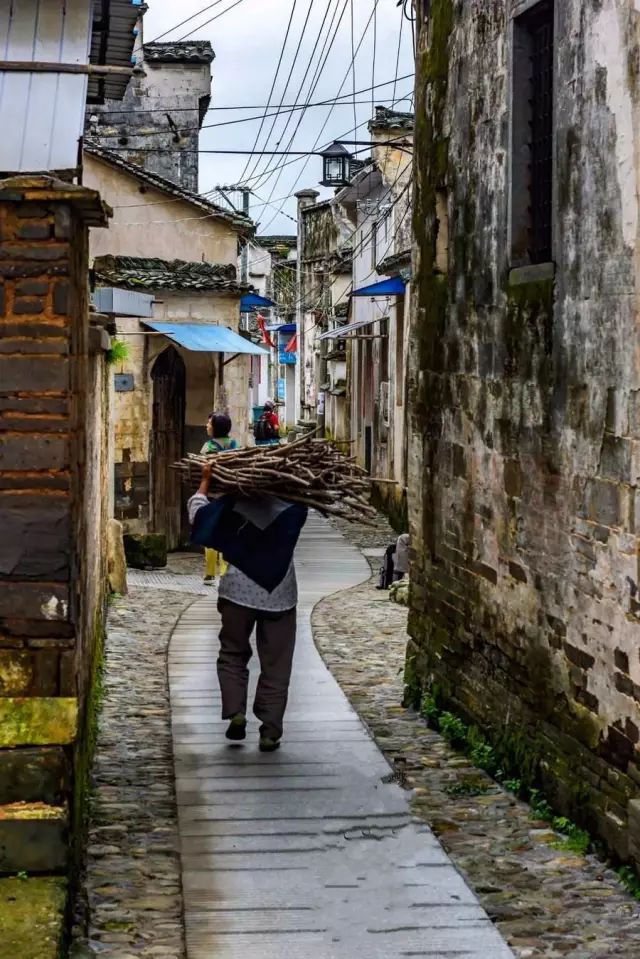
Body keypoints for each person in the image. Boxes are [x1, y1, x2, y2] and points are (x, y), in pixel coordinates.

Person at [188, 465, 307, 752]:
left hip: (237, 592)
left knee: (232, 653)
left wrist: (205, 481)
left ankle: (236, 711)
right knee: (277, 665)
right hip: (280, 594)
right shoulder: (293, 510)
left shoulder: (233, 505)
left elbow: (198, 514)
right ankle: (270, 730)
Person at [201, 412, 238, 585]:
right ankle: (224, 571)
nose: (207, 426)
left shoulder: (208, 447)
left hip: (212, 494)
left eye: (209, 424)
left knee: (210, 531)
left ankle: (209, 573)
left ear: (216, 428)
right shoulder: (233, 445)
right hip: (229, 494)